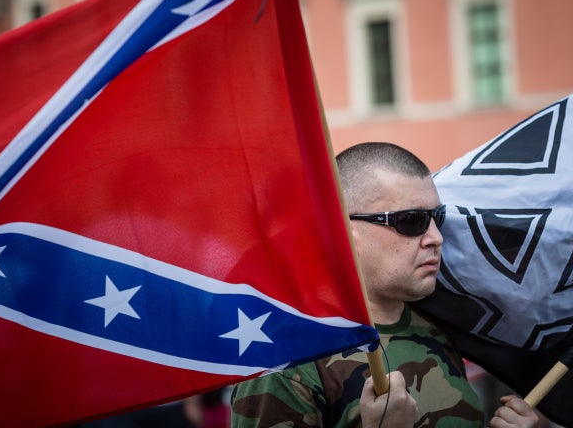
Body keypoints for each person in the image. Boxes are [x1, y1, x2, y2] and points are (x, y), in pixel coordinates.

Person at [230, 142, 539, 427]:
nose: (436, 238)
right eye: (411, 220)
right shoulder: (288, 357)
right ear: (344, 230)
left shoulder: (439, 325)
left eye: (438, 218)